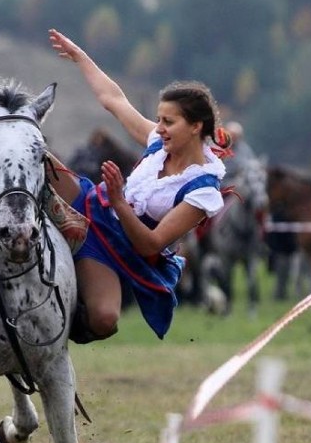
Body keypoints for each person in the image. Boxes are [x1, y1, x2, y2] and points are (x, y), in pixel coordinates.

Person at [47, 28, 229, 342]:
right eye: (159, 119)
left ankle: (48, 334)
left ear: (196, 126)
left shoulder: (203, 190)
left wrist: (119, 201)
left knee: (104, 320)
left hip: (118, 250)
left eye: (168, 122)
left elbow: (150, 244)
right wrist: (79, 56)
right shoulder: (159, 142)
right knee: (36, 158)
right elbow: (113, 100)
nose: (159, 128)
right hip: (90, 208)